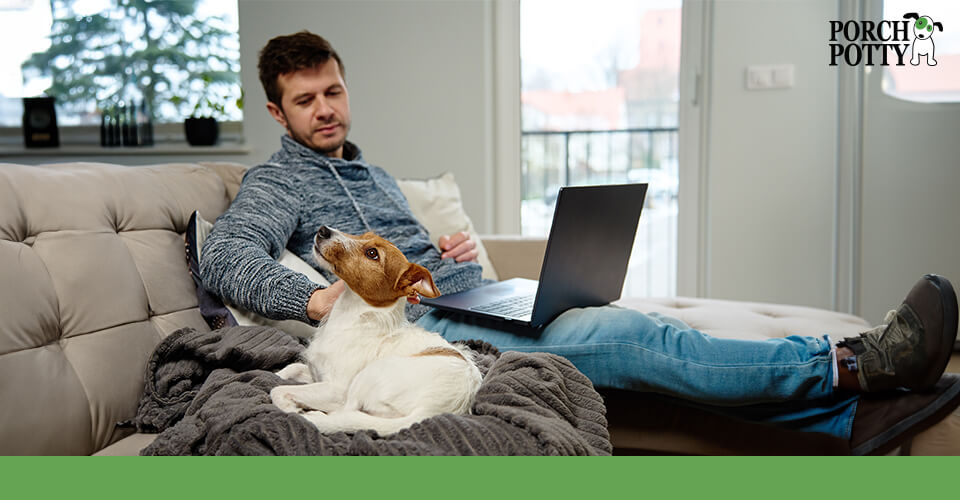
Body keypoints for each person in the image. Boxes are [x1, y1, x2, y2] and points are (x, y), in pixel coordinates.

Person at [200, 31, 958, 442]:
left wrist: (446, 253)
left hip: (468, 297)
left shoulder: (375, 175)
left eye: (333, 90)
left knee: (642, 332)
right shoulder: (279, 182)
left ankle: (840, 410)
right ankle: (857, 365)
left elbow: (402, 258)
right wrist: (312, 298)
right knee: (633, 340)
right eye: (306, 101)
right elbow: (227, 254)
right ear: (277, 112)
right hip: (426, 329)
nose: (326, 110)